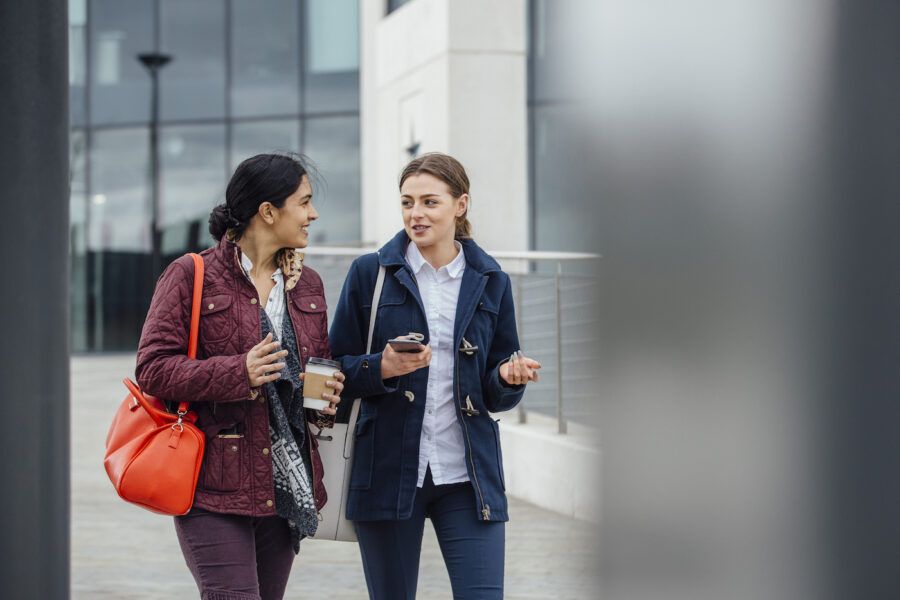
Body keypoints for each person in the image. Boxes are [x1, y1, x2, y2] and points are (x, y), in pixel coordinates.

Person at [329, 152, 541, 599]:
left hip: (468, 476)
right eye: (407, 203)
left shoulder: (491, 280)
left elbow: (495, 392)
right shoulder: (372, 274)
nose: (415, 214)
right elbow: (330, 370)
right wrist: (381, 368)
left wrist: (508, 377)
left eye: (429, 202)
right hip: (387, 470)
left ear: (460, 205)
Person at [135, 153, 345, 600]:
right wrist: (239, 371)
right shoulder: (192, 275)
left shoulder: (307, 285)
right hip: (213, 485)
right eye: (304, 202)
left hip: (285, 485)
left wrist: (324, 396)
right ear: (268, 212)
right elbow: (152, 368)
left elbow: (314, 370)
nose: (313, 214)